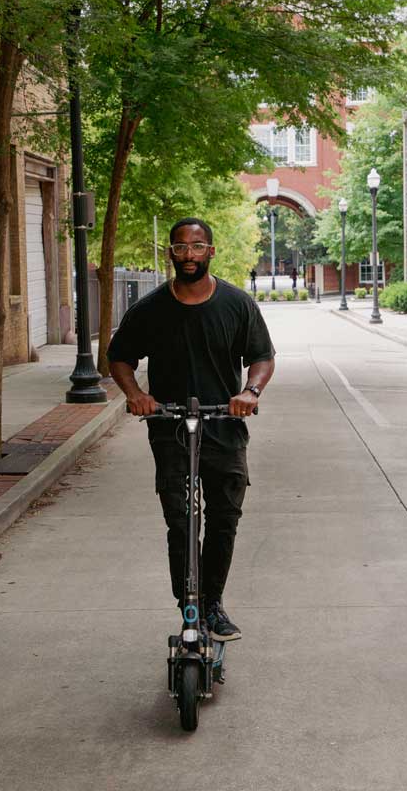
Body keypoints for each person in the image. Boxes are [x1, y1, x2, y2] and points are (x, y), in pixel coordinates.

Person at [108, 218, 275, 642]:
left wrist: (250, 391)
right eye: (180, 248)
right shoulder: (150, 310)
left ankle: (213, 604)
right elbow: (120, 357)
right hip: (170, 429)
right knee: (181, 521)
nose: (188, 255)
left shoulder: (237, 304)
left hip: (224, 425)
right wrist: (136, 393)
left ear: (210, 252)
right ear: (170, 252)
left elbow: (262, 355)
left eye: (197, 247)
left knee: (223, 519)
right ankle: (190, 607)